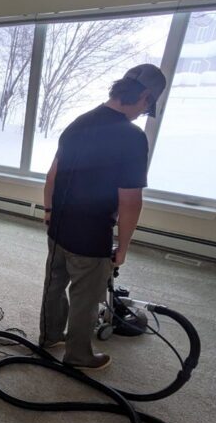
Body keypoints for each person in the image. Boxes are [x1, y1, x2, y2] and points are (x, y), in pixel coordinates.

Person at [39, 63, 167, 370]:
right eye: (145, 107)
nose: (141, 114)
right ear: (146, 96)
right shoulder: (131, 137)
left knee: (55, 284)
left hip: (58, 227)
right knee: (86, 297)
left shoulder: (79, 122)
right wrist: (122, 248)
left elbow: (52, 176)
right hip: (91, 235)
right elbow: (130, 201)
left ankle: (49, 336)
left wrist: (48, 213)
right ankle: (79, 354)